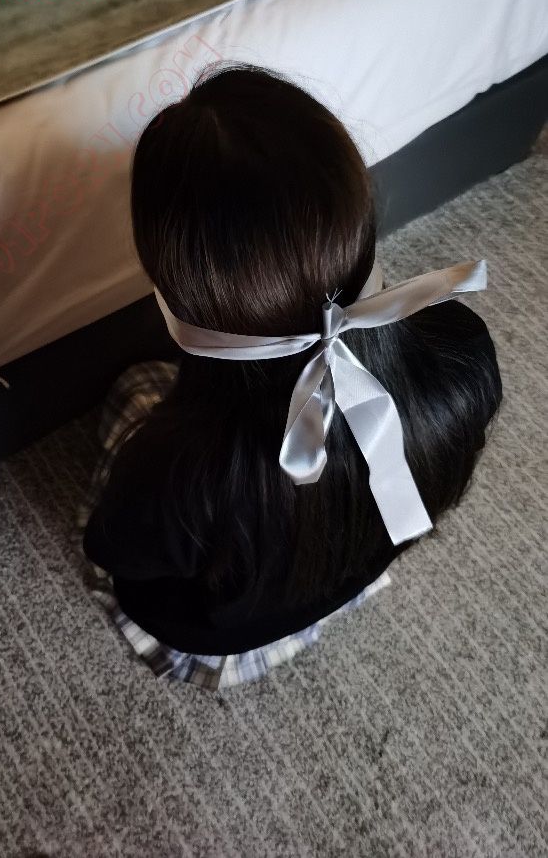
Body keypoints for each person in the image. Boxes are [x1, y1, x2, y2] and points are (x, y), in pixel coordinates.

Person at [76, 63, 502, 692]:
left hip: (217, 631)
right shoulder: (461, 354)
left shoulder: (177, 474)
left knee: (136, 387)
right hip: (336, 577)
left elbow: (114, 553)